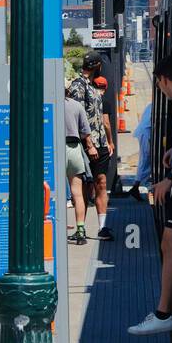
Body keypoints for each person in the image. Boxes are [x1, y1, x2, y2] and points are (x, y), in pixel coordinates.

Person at [129, 55, 172, 335]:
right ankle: (164, 311)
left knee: (170, 243)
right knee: (169, 242)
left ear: (163, 79)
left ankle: (164, 313)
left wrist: (169, 178)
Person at [67, 52, 115, 241]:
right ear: (97, 66)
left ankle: (103, 227)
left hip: (100, 143)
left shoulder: (94, 86)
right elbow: (78, 116)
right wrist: (88, 143)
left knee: (101, 182)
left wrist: (107, 141)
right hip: (87, 144)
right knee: (85, 186)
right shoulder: (79, 86)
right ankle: (81, 227)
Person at [65, 84, 99, 245]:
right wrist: (90, 146)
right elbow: (86, 131)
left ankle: (54, 228)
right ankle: (80, 230)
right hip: (74, 149)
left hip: (53, 150)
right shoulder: (76, 105)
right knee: (77, 192)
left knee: (52, 192)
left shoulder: (47, 105)